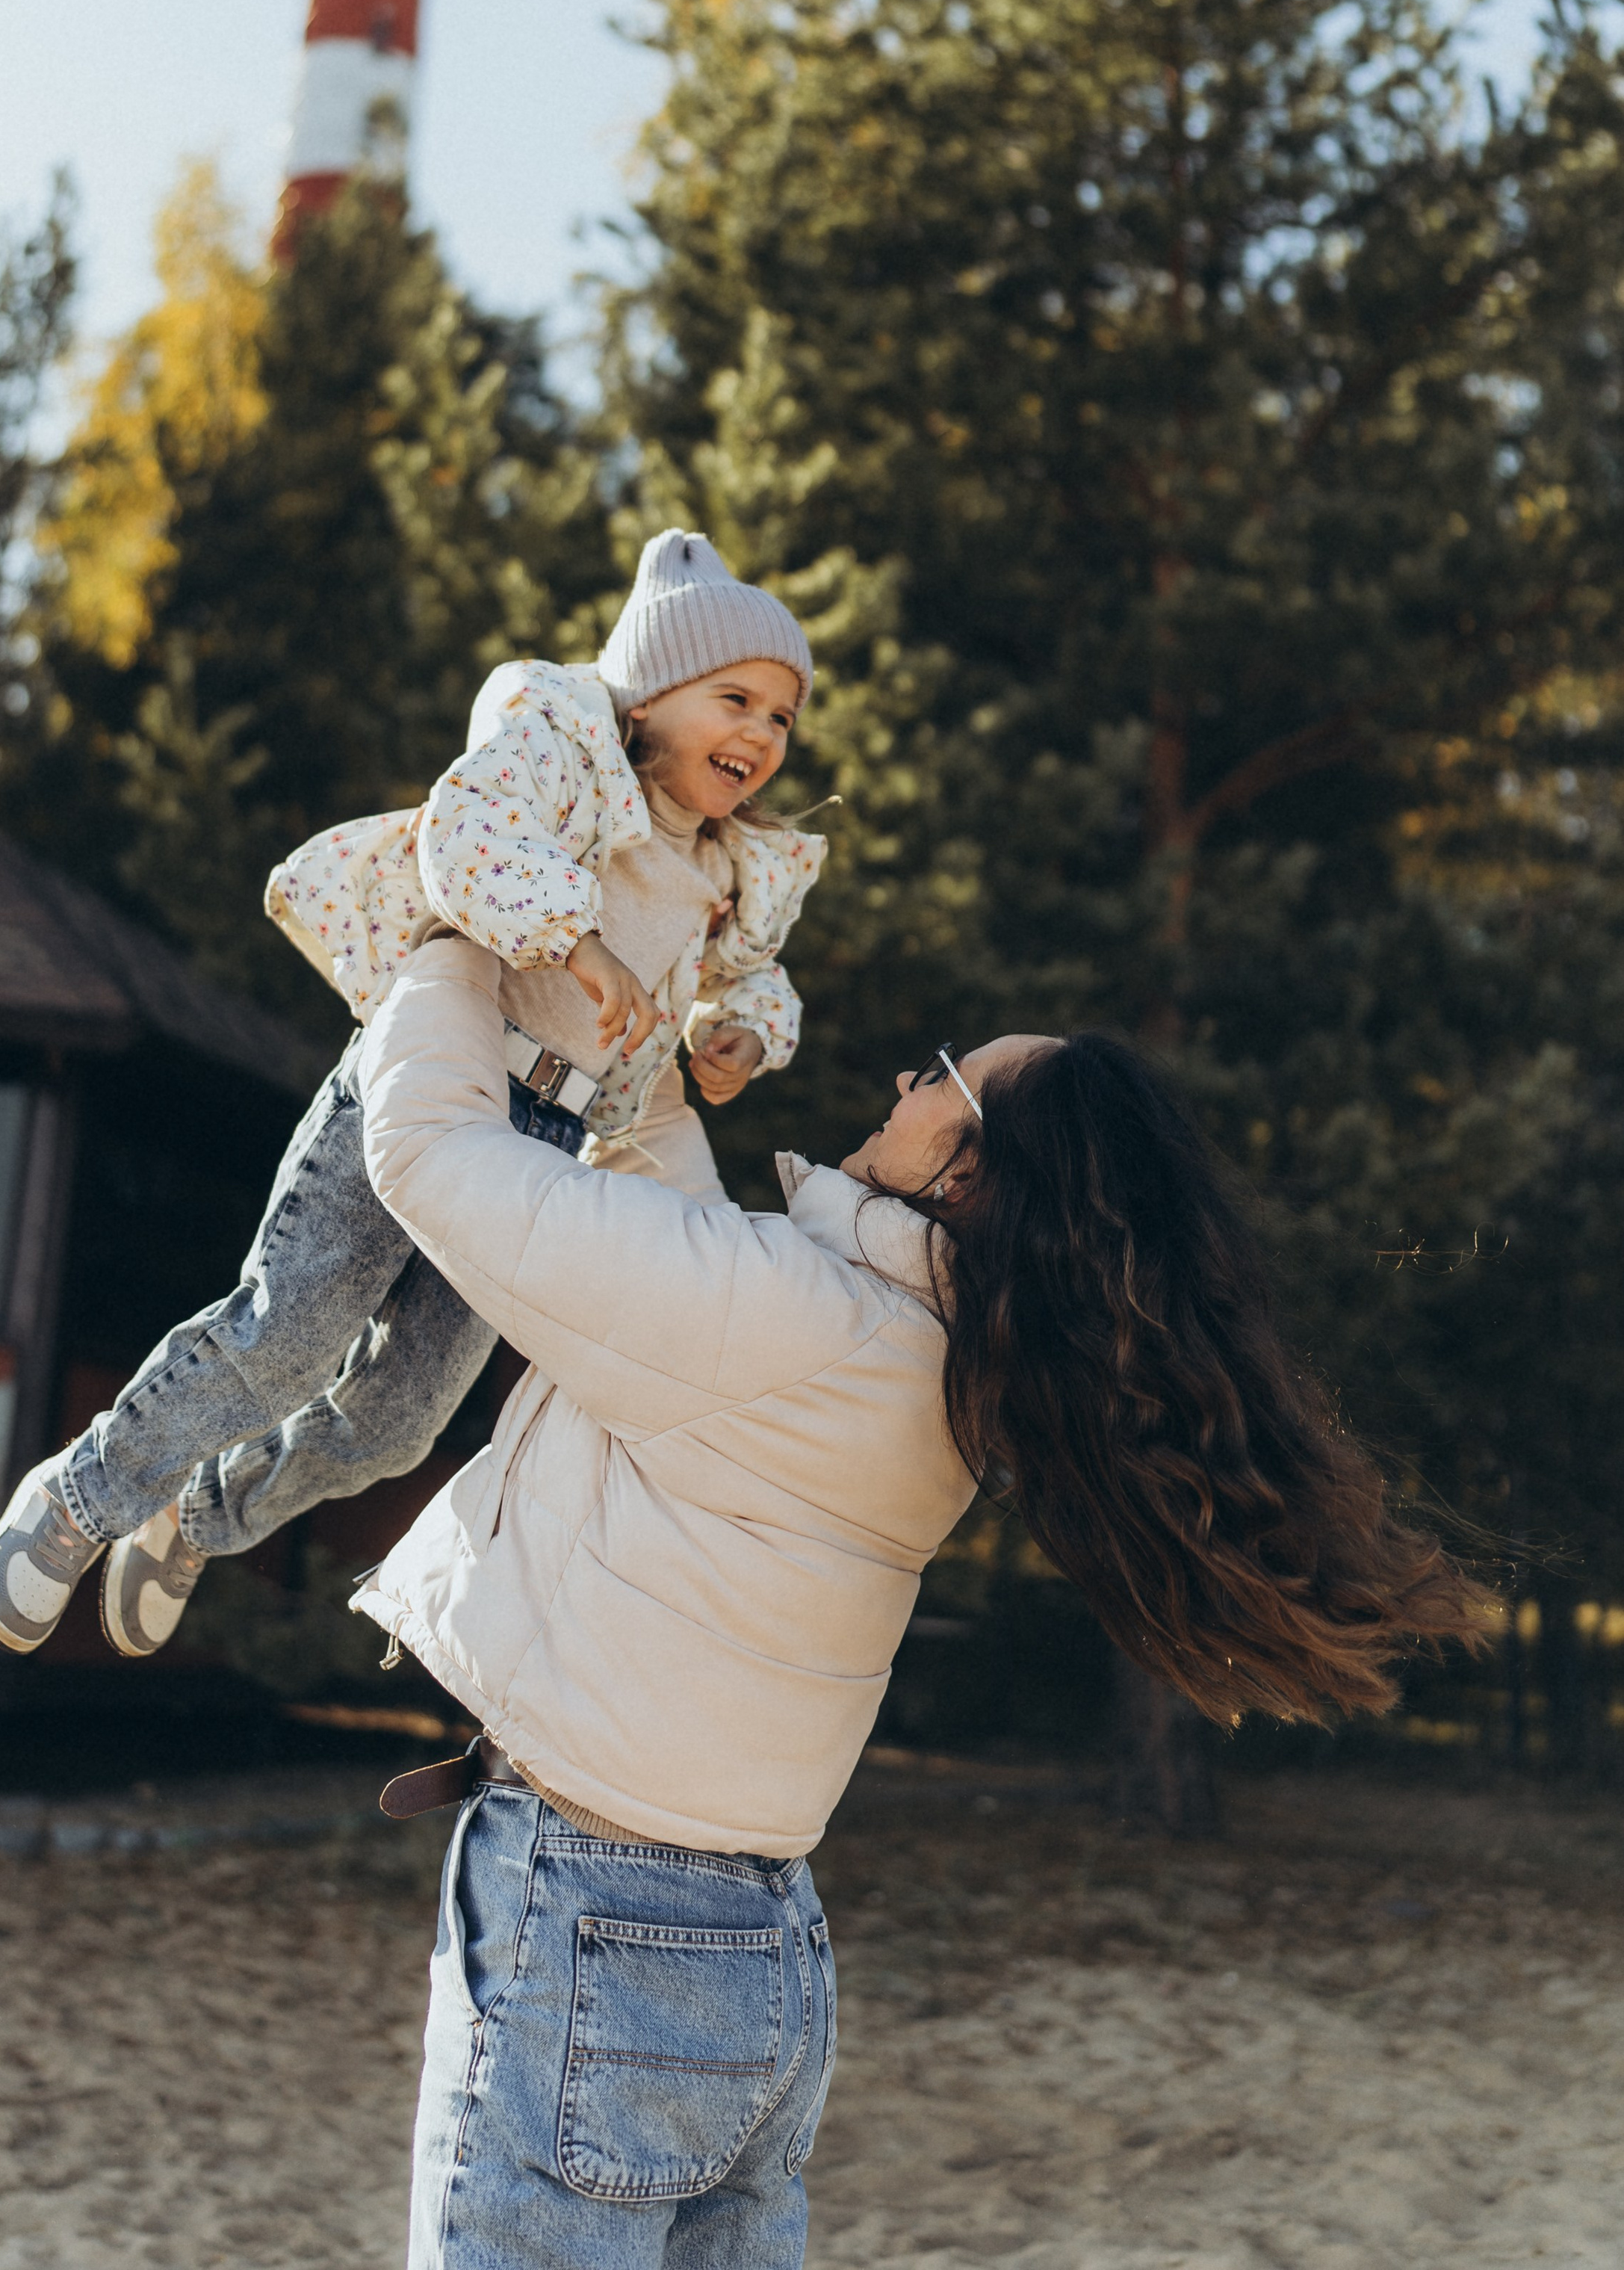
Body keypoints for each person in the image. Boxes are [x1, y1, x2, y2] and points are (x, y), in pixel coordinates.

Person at [347, 944, 1485, 2266]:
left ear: (969, 1173)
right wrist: (648, 1038)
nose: (904, 1075)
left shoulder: (787, 1320)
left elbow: (427, 1151)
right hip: (755, 1947)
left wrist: (450, 941)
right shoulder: (935, 1374)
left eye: (944, 1075)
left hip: (595, 1912)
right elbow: (676, 1244)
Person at [0, 532, 828, 1660]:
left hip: (544, 1141)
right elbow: (464, 840)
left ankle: (202, 1513)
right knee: (288, 1335)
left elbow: (759, 981)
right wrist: (576, 940)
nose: (760, 736)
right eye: (736, 699)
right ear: (650, 691)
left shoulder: (729, 869)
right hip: (435, 1066)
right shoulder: (556, 751)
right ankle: (83, 1495)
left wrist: (738, 1041)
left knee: (399, 1421)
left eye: (781, 719)